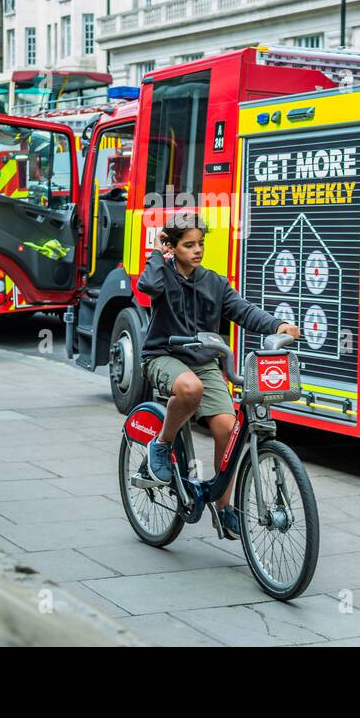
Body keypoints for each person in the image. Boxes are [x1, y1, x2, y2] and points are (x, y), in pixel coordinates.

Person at [139, 214, 301, 538]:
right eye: (188, 245)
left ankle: (223, 508)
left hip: (203, 362)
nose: (197, 250)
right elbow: (148, 286)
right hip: (163, 356)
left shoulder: (213, 282)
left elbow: (243, 310)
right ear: (172, 246)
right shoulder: (162, 275)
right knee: (190, 388)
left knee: (228, 429)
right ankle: (161, 444)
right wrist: (158, 252)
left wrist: (277, 325)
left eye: (200, 243)